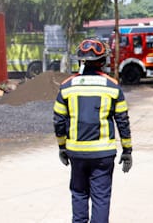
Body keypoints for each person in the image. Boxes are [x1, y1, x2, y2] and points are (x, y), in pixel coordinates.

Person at [54, 38, 132, 223]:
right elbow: (123, 121)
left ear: (81, 61)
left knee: (79, 195)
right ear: (103, 61)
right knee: (101, 198)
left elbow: (58, 121)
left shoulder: (66, 87)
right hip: (103, 154)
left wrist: (62, 147)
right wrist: (127, 150)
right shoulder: (112, 87)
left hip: (76, 153)